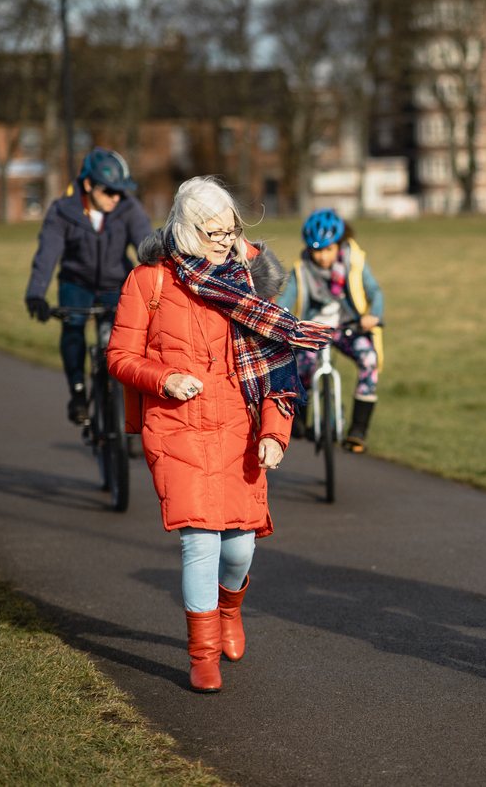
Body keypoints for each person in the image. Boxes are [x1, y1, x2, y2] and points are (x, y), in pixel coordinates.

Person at [107, 177, 332, 692]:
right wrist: (163, 378)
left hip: (239, 428)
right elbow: (119, 356)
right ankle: (201, 653)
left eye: (231, 230)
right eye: (213, 232)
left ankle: (230, 608)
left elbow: (279, 370)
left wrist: (276, 433)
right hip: (176, 427)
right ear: (185, 231)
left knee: (239, 549)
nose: (226, 241)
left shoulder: (250, 283)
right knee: (200, 541)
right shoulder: (149, 281)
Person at [25, 147, 154, 423]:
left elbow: (148, 246)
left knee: (125, 342)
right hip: (77, 282)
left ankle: (127, 405)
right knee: (73, 329)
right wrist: (35, 294)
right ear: (88, 184)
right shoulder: (63, 211)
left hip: (117, 283)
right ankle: (78, 392)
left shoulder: (127, 207)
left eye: (120, 191)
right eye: (109, 191)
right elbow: (47, 254)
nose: (115, 197)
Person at [276, 208, 384, 452]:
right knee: (302, 367)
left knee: (369, 360)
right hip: (313, 329)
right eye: (316, 250)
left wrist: (373, 315)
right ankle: (300, 417)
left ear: (339, 244)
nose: (323, 257)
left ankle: (358, 430)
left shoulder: (353, 262)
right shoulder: (302, 269)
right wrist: (280, 320)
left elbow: (374, 292)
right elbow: (286, 299)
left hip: (349, 327)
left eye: (328, 249)